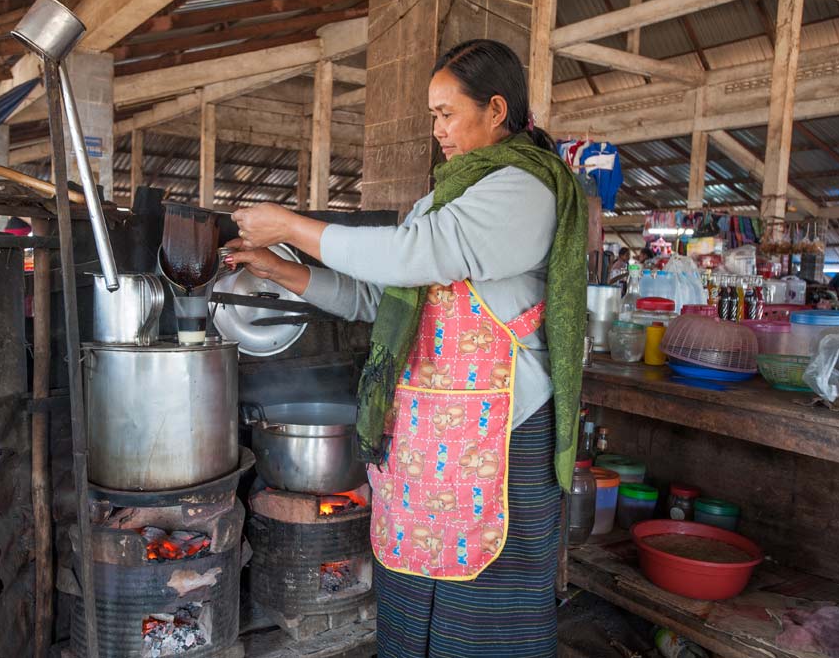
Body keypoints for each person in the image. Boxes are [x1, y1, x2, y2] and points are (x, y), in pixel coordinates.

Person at [227, 39, 587, 658]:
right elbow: (384, 298)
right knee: (414, 597)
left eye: (447, 113)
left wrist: (290, 226)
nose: (438, 130)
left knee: (484, 613)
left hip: (497, 440)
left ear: (496, 109)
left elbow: (410, 255)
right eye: (433, 116)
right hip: (427, 444)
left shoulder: (524, 189)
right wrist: (284, 270)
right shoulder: (449, 196)